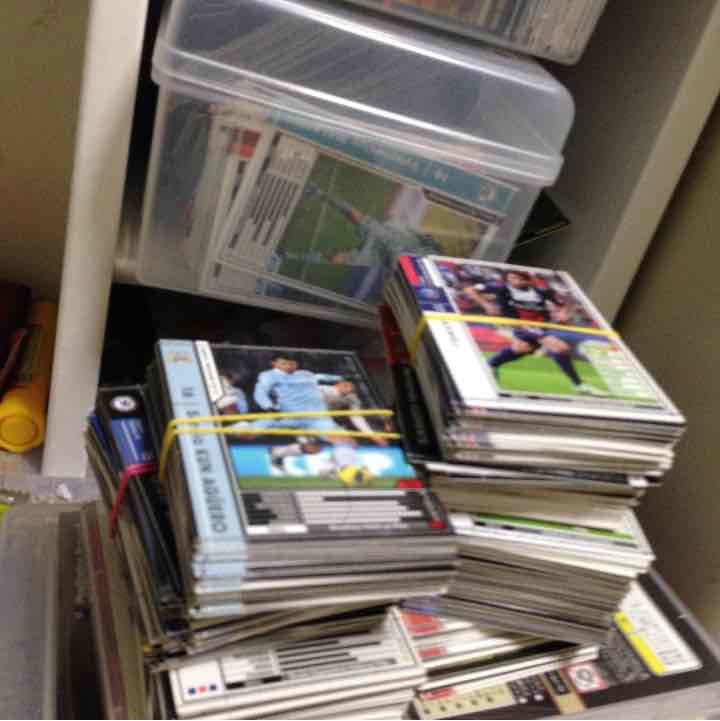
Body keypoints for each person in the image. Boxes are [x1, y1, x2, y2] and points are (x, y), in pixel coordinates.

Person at [460, 270, 606, 396]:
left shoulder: (542, 292)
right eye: (511, 278)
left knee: (523, 348)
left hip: (541, 326)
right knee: (561, 348)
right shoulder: (501, 288)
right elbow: (470, 290)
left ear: (528, 280)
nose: (513, 282)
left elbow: (563, 305)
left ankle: (490, 364)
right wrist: (486, 305)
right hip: (521, 325)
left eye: (517, 279)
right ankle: (579, 385)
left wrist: (563, 313)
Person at [304, 182, 441, 302]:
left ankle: (300, 256)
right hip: (393, 231)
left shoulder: (409, 272)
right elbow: (430, 243)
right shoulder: (426, 258)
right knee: (354, 216)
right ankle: (319, 193)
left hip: (380, 247)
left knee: (339, 256)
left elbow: (392, 265)